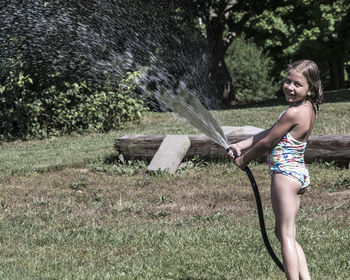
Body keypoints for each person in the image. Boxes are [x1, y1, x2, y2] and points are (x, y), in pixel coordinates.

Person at [228, 59, 323, 280]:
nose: (290, 87)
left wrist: (245, 160)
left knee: (286, 235)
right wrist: (241, 145)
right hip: (298, 174)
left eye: (297, 84)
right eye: (287, 81)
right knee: (285, 232)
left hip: (285, 176)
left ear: (311, 88)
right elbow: (271, 131)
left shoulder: (294, 112)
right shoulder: (306, 108)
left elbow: (268, 143)